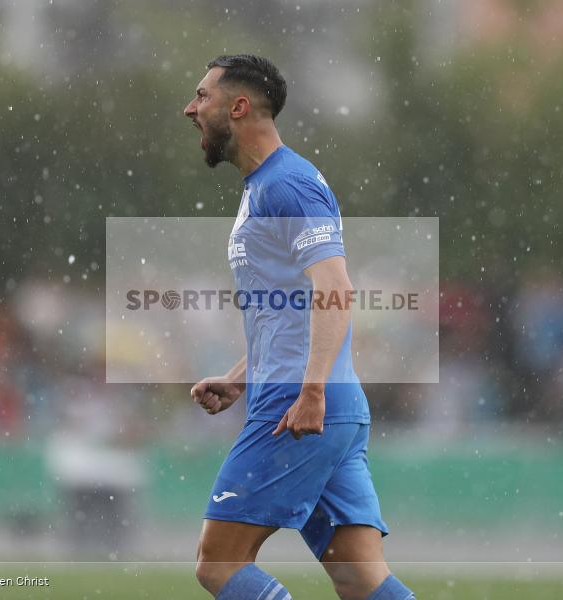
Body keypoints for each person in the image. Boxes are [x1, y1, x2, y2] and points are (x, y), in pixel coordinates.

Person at [183, 55, 414, 600]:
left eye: (202, 96)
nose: (190, 108)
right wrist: (242, 376)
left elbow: (335, 290)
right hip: (324, 403)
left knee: (217, 563)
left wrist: (310, 391)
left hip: (300, 404)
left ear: (238, 108)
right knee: (363, 581)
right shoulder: (264, 187)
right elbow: (289, 308)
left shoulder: (287, 184)